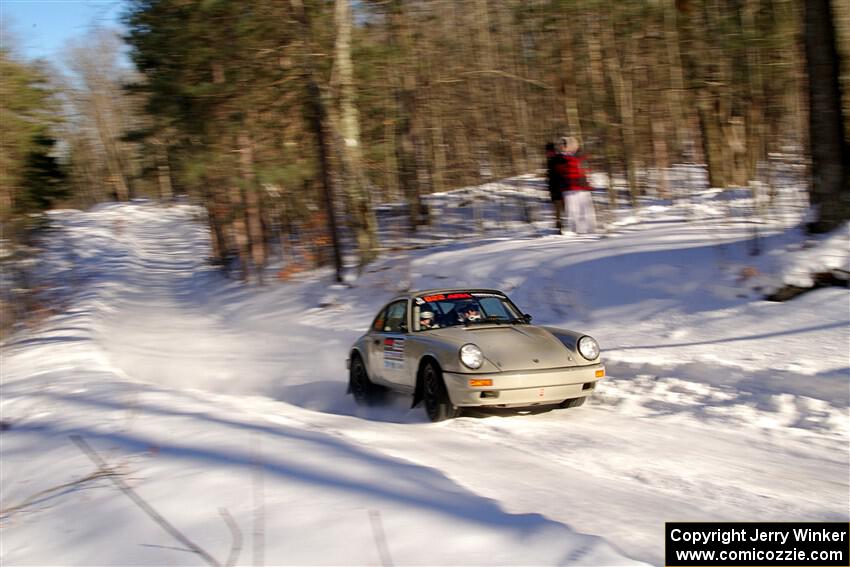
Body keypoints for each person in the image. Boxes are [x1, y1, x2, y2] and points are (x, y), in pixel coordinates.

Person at [556, 136, 597, 234]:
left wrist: (589, 182)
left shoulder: (581, 156)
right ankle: (576, 232)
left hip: (582, 187)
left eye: (565, 144)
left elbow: (587, 170)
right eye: (562, 145)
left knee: (587, 211)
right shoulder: (561, 158)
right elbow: (559, 172)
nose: (562, 147)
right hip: (569, 188)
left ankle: (591, 230)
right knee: (572, 212)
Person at [545, 142, 565, 232]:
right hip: (555, 189)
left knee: (563, 209)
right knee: (558, 210)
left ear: (552, 151)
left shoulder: (557, 159)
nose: (547, 153)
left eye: (548, 151)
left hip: (561, 188)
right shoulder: (550, 160)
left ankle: (562, 227)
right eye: (547, 152)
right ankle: (559, 227)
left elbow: (560, 174)